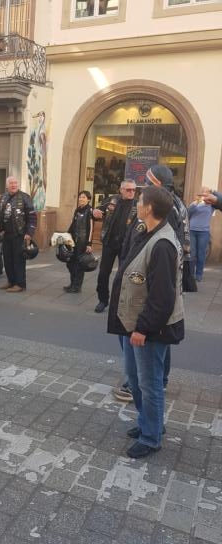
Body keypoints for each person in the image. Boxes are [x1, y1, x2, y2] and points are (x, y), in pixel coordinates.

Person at [108, 185, 184, 459]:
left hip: (149, 328)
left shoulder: (162, 244)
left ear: (149, 208)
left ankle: (151, 437)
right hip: (132, 322)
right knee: (136, 380)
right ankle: (148, 422)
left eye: (140, 200)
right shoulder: (146, 231)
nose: (137, 203)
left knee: (149, 384)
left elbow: (162, 297)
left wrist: (143, 329)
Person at [92, 179, 137, 313]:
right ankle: (103, 300)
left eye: (134, 190)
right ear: (121, 190)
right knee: (103, 273)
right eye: (128, 190)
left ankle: (119, 302)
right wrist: (95, 211)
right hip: (109, 242)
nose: (131, 192)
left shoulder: (138, 204)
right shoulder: (112, 200)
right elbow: (98, 210)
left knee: (123, 275)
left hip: (126, 245)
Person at [0, 176, 37, 293]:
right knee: (7, 260)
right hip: (6, 234)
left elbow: (32, 217)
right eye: (11, 183)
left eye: (15, 183)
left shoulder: (25, 197)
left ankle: (20, 284)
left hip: (20, 235)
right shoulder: (3, 197)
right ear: (7, 185)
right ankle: (11, 281)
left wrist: (29, 233)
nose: (13, 185)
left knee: (18, 261)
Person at [64, 190, 93, 293]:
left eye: (84, 197)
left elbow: (90, 228)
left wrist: (89, 244)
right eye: (80, 197)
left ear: (88, 199)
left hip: (82, 242)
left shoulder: (89, 210)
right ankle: (72, 283)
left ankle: (77, 286)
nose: (81, 199)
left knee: (79, 264)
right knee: (70, 263)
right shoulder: (78, 209)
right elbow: (73, 224)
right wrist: (66, 236)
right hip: (73, 240)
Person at [188, 193, 213, 282]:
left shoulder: (212, 206)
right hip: (192, 231)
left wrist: (213, 196)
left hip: (204, 232)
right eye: (203, 195)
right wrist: (195, 203)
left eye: (206, 195)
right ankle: (190, 275)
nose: (204, 197)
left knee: (201, 254)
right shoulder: (195, 204)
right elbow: (188, 213)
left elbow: (219, 200)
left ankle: (199, 275)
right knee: (192, 254)